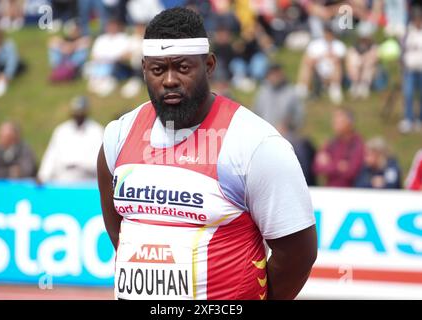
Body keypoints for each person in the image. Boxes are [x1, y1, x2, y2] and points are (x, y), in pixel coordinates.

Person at [97, 7, 317, 300]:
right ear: (144, 69)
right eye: (158, 69)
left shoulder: (255, 144)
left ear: (210, 65)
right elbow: (120, 231)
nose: (170, 80)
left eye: (183, 67)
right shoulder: (118, 136)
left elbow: (297, 254)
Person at [38, 96, 104, 184]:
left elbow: (100, 161)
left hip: (88, 180)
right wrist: (43, 175)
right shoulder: (62, 130)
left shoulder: (97, 131)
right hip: (63, 179)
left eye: (81, 113)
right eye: (76, 112)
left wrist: (81, 165)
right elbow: (51, 154)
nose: (78, 115)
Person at [313, 108, 365, 187]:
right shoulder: (331, 143)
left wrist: (329, 163)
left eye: (339, 121)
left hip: (349, 193)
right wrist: (338, 166)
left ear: (349, 123)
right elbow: (317, 167)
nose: (335, 123)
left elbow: (351, 172)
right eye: (334, 121)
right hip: (330, 191)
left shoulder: (357, 144)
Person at [296, 24, 346, 104]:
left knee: (338, 65)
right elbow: (308, 59)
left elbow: (340, 60)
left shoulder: (339, 45)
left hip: (332, 72)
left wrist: (326, 57)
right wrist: (322, 57)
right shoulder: (315, 44)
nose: (328, 35)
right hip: (317, 71)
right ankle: (303, 88)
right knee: (307, 64)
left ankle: (335, 88)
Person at [253, 63, 305, 133]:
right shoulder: (263, 91)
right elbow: (255, 113)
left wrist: (288, 124)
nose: (275, 76)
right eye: (272, 74)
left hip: (285, 135)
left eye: (277, 73)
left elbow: (299, 117)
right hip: (263, 133)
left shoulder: (291, 92)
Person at [398, 6, 422, 134]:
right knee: (408, 94)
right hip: (410, 69)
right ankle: (408, 119)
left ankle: (419, 120)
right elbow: (402, 50)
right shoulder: (407, 32)